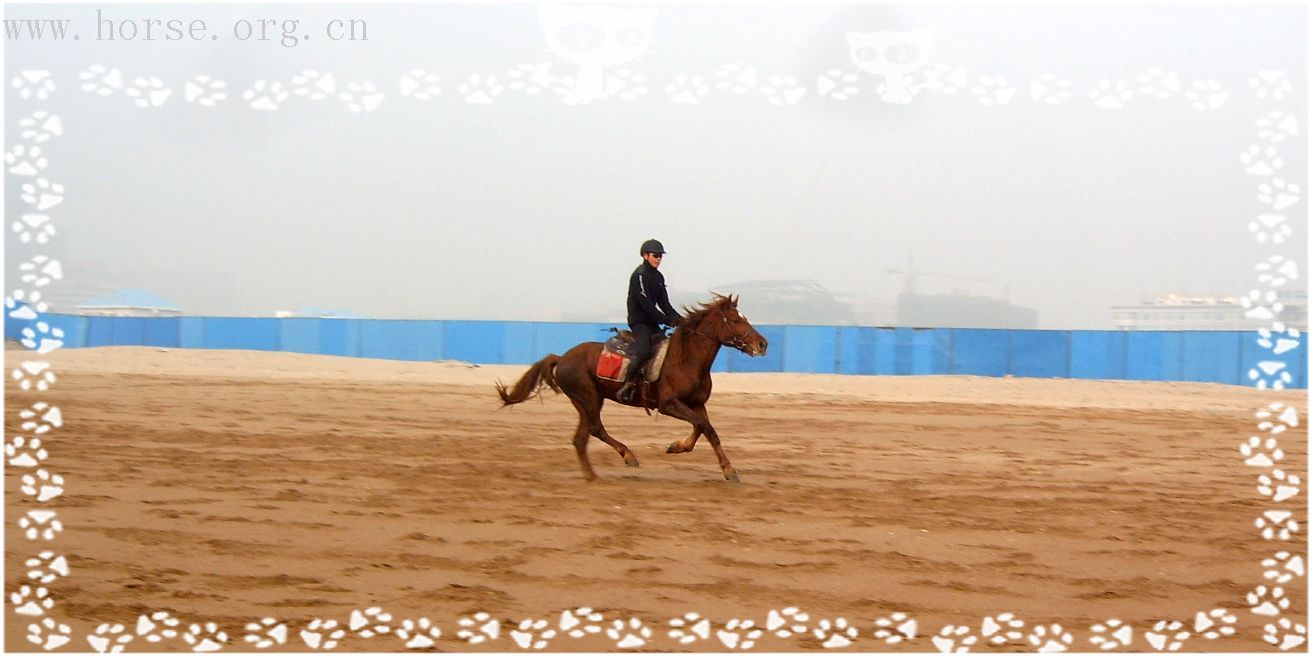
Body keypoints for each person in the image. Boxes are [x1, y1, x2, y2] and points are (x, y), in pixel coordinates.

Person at [618, 238, 682, 403]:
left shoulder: (659, 277)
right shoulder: (639, 275)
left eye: (661, 256)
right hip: (639, 322)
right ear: (645, 255)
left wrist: (679, 319)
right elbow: (646, 305)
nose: (658, 258)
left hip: (652, 322)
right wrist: (665, 320)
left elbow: (664, 303)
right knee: (645, 350)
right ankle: (628, 385)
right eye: (655, 255)